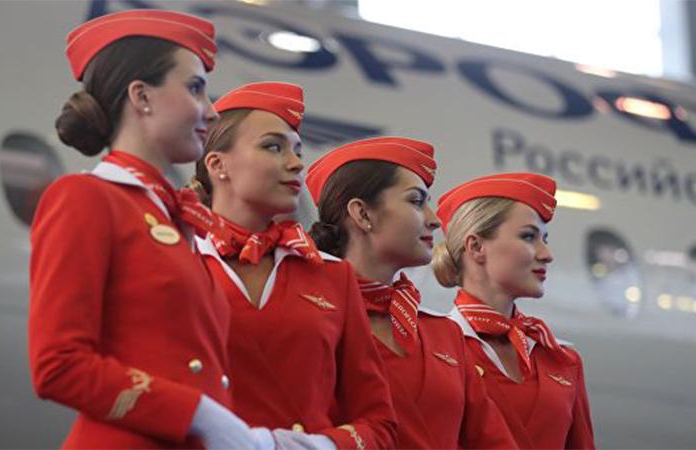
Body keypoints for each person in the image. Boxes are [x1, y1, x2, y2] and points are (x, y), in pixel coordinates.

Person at [29, 9, 265, 449]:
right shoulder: (86, 198)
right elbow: (58, 364)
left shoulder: (171, 216)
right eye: (194, 88)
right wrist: (196, 415)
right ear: (141, 96)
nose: (212, 111)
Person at [191, 82, 397, 450]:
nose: (296, 163)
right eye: (274, 147)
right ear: (218, 165)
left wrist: (317, 446)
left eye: (298, 150)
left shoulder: (333, 275)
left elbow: (378, 422)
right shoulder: (178, 260)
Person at [305, 137, 518, 449]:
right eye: (416, 201)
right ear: (363, 214)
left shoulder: (444, 335)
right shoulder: (307, 319)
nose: (434, 220)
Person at [434, 172, 595, 449]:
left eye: (544, 239)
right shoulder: (434, 350)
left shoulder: (562, 359)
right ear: (476, 246)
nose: (547, 254)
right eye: (529, 236)